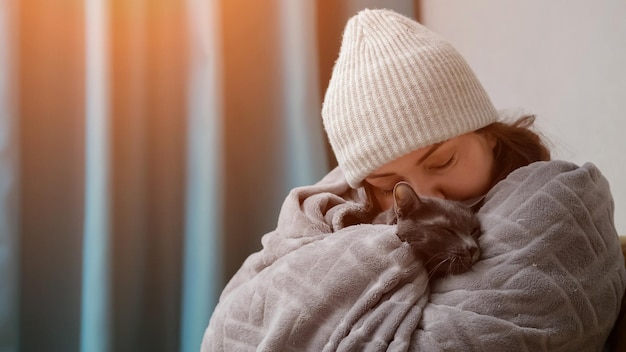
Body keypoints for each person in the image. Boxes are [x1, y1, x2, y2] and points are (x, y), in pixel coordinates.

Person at [203, 8, 625, 351]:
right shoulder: (329, 219)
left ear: (490, 138)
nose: (424, 196)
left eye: (442, 162)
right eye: (388, 185)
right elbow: (228, 331)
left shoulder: (555, 209)